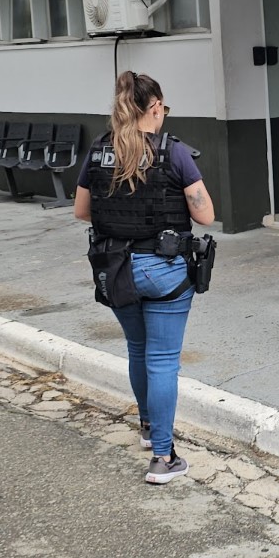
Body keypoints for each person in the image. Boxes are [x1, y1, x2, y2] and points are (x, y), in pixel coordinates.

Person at [74, 71, 215, 483]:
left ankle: (148, 428)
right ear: (154, 107)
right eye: (163, 107)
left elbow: (81, 211)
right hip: (164, 271)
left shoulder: (99, 151)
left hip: (115, 269)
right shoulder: (174, 153)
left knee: (138, 350)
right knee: (163, 360)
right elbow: (205, 215)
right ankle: (163, 457)